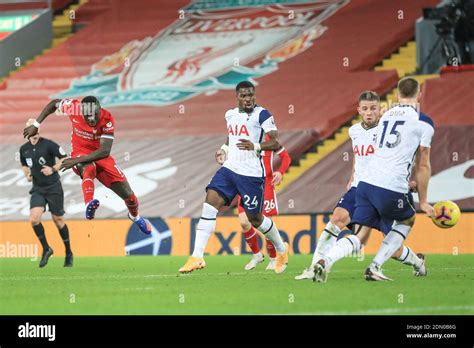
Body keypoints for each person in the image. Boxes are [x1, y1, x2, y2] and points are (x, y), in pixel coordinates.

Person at [313, 79, 435, 282]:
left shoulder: (386, 117)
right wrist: (423, 201)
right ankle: (375, 266)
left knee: (360, 236)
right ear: (420, 95)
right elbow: (423, 164)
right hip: (391, 188)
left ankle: (325, 261)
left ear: (396, 96)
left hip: (366, 185)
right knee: (408, 218)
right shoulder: (423, 121)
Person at [179, 81, 289, 274]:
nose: (248, 99)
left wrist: (255, 146)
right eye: (244, 95)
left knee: (255, 219)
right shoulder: (230, 115)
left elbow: (275, 141)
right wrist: (224, 149)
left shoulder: (262, 114)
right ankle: (197, 256)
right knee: (209, 203)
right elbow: (231, 137)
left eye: (251, 95)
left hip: (252, 174)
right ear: (237, 96)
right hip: (230, 169)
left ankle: (281, 249)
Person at [23, 96, 152, 234]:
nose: (91, 119)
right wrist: (36, 125)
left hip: (101, 155)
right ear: (81, 111)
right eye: (87, 116)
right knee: (88, 167)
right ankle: (89, 203)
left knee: (129, 195)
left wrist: (75, 161)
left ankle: (135, 216)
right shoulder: (73, 107)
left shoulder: (107, 118)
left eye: (94, 115)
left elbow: (104, 151)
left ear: (99, 109)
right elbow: (54, 104)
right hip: (80, 151)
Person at [20, 119, 72, 267]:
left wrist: (53, 169)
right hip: (38, 189)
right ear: (26, 131)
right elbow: (24, 164)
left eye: (35, 127)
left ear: (39, 129)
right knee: (34, 219)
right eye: (30, 128)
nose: (33, 131)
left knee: (58, 220)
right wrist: (27, 174)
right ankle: (46, 249)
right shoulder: (24, 149)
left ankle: (68, 252)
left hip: (54, 187)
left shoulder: (49, 144)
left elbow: (65, 158)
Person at [237, 136, 291, 271]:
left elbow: (286, 158)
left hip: (264, 184)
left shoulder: (269, 140)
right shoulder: (244, 137)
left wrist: (280, 172)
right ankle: (257, 255)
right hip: (246, 183)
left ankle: (273, 258)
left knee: (265, 222)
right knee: (244, 222)